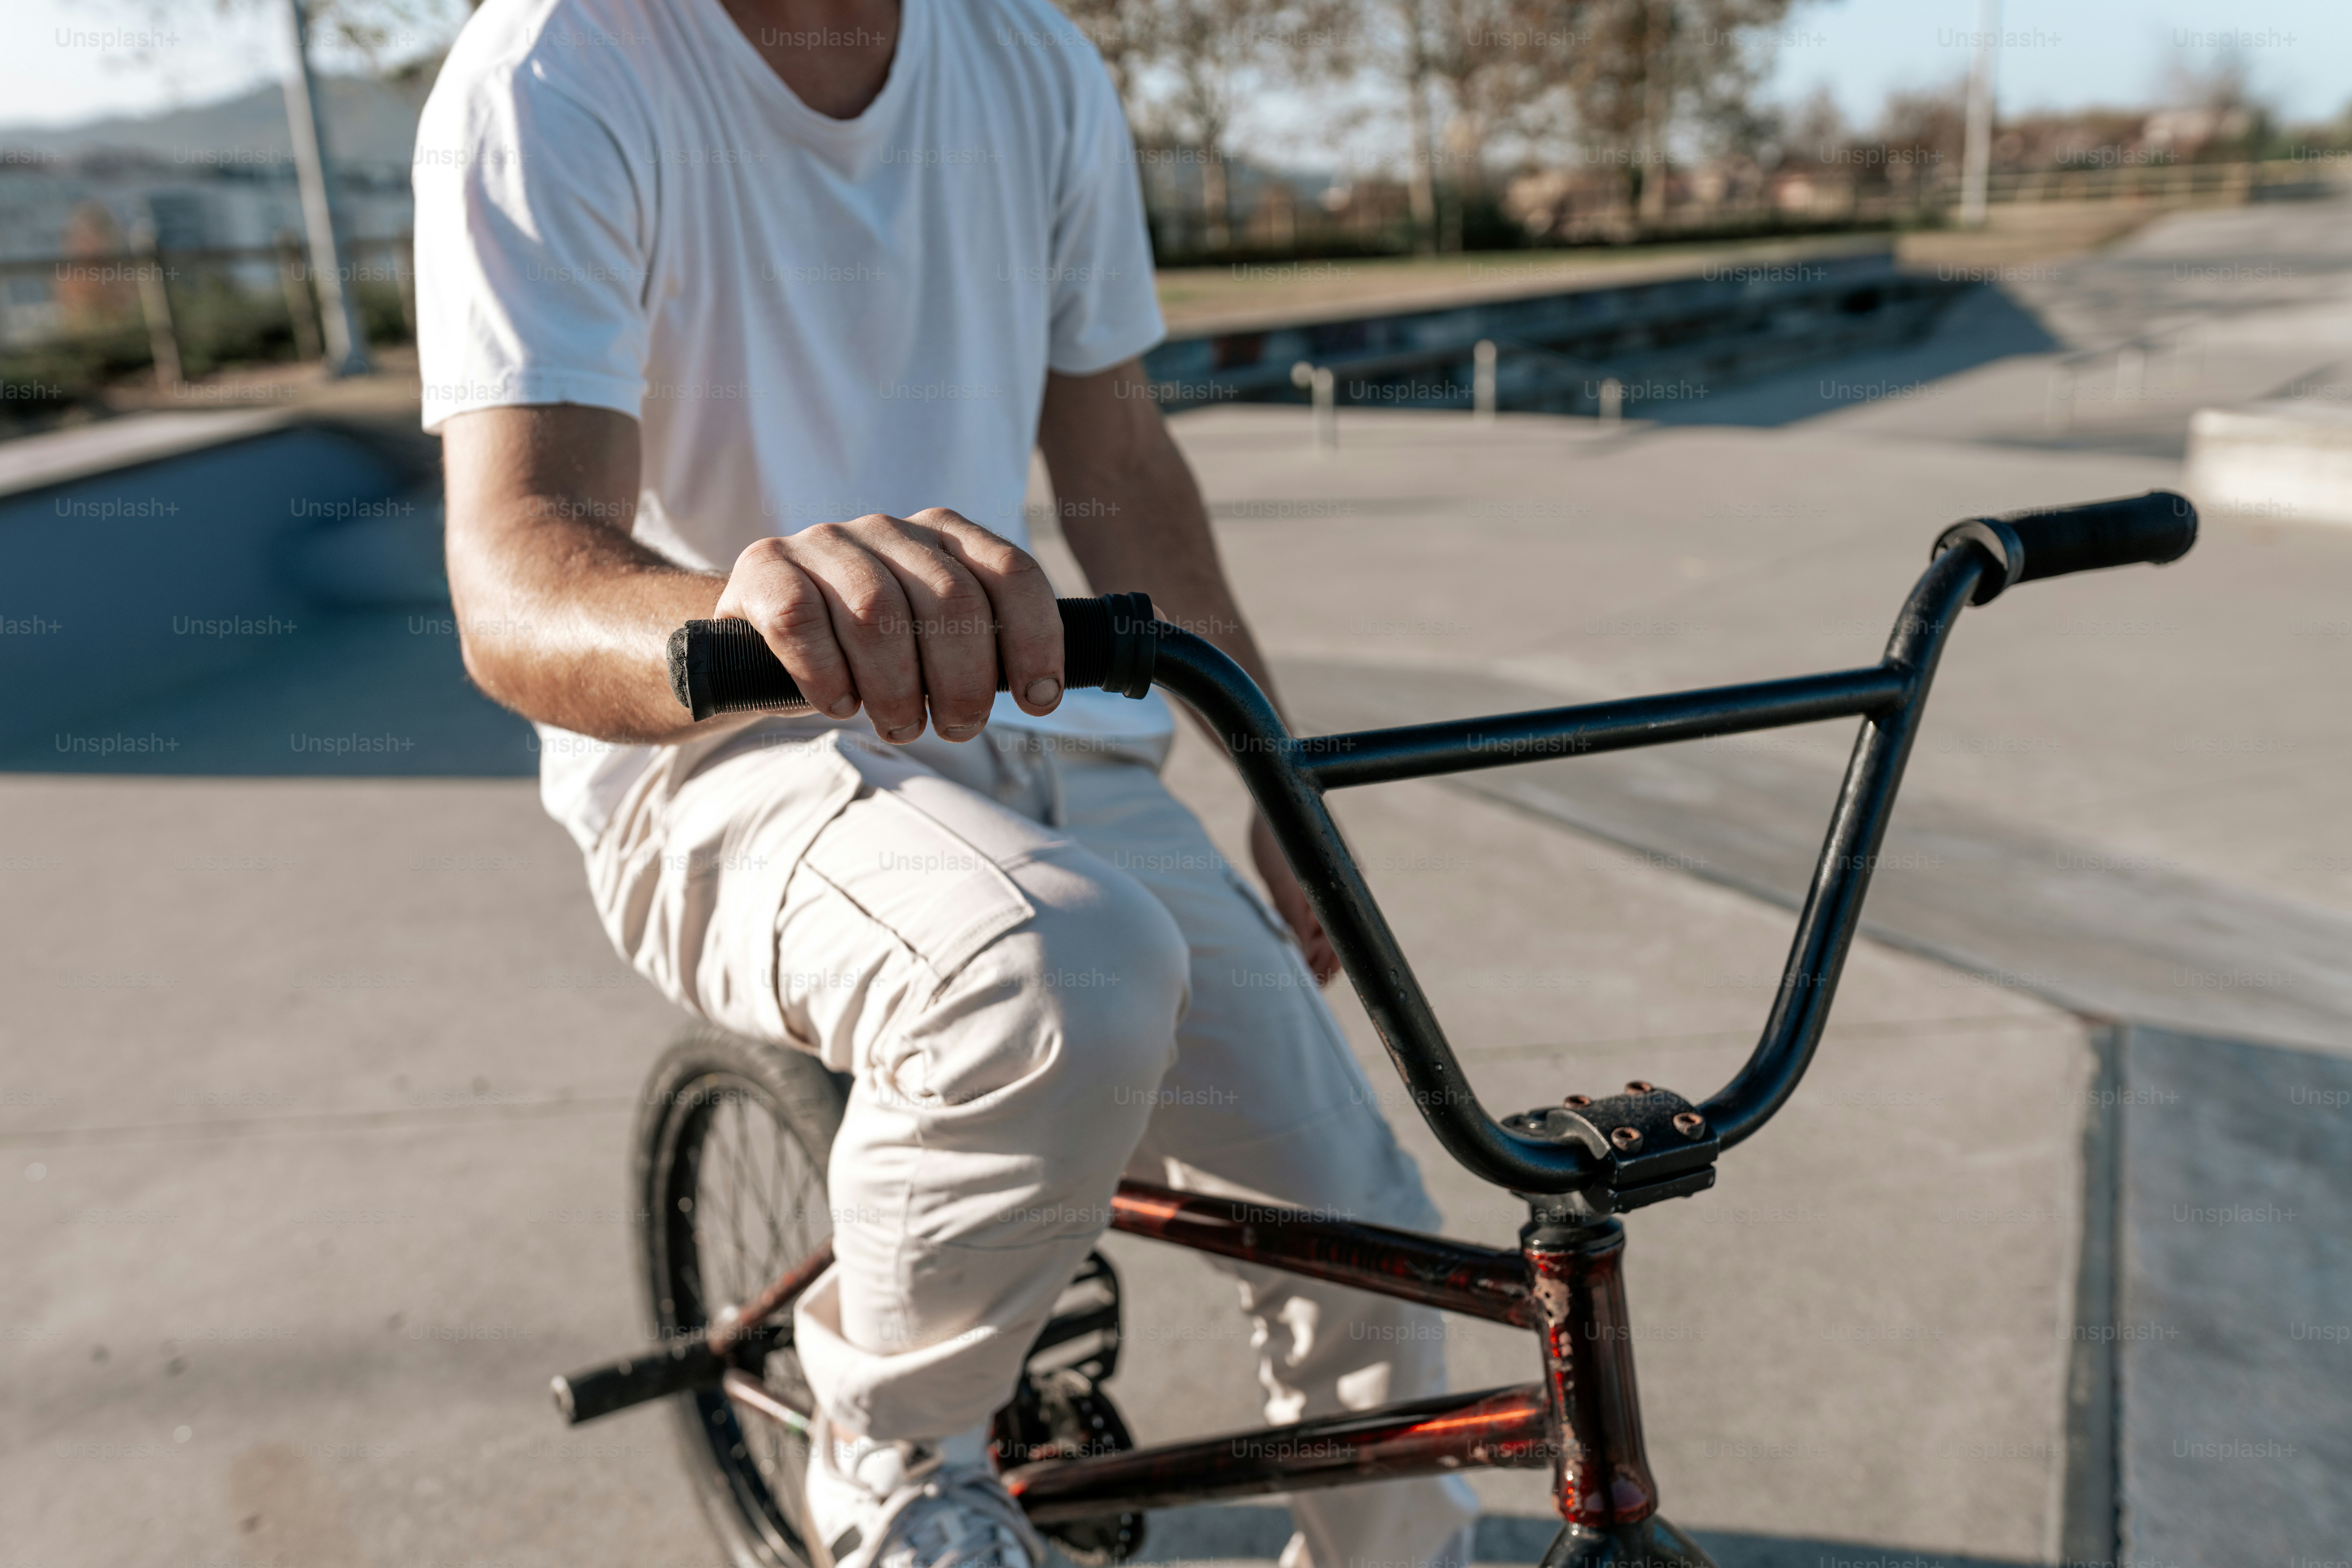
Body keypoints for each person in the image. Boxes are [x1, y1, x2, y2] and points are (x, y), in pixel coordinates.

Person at [415, 3, 1479, 1568]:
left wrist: (1281, 774)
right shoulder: (558, 70)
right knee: (1049, 970)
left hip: (1037, 726)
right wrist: (751, 610)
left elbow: (1120, 461)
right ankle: (892, 1455)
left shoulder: (1029, 59)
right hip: (727, 754)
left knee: (1367, 1238)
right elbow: (517, 575)